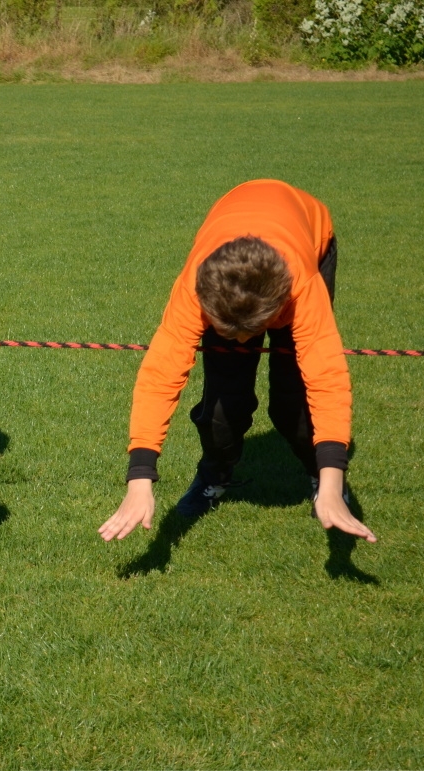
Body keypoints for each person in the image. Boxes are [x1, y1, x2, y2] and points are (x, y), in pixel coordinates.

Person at [99, 179, 377, 545]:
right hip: (233, 226)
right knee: (223, 405)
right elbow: (160, 375)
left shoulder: (302, 287)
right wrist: (139, 478)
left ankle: (320, 481)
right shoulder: (197, 285)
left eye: (252, 331)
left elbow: (326, 378)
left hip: (308, 234)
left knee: (293, 400)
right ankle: (214, 476)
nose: (244, 342)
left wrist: (332, 480)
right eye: (230, 333)